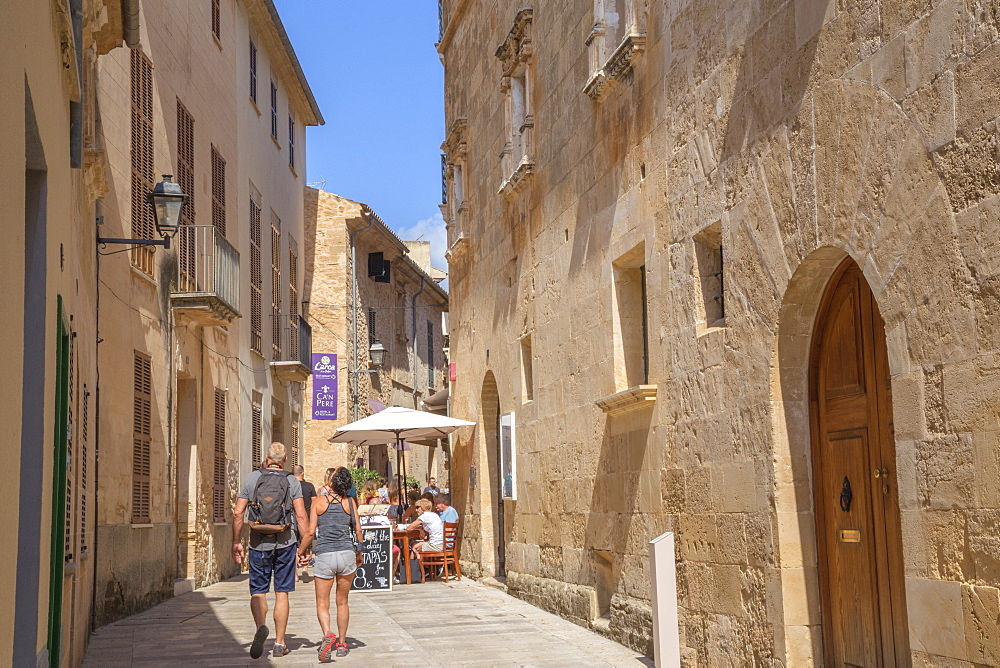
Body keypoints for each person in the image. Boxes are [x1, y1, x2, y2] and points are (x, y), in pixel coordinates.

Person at [232, 443, 308, 659]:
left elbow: (238, 513)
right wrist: (305, 546)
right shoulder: (291, 480)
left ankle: (260, 628)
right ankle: (280, 643)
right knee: (282, 592)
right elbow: (301, 515)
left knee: (258, 591)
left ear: (266, 458)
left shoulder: (252, 478)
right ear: (284, 460)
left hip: (258, 544)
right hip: (285, 543)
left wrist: (236, 541)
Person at [297, 467, 363, 661]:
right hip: (346, 554)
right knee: (342, 601)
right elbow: (358, 530)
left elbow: (310, 532)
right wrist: (360, 552)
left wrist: (301, 551)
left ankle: (328, 634)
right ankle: (342, 644)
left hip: (325, 554)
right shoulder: (350, 502)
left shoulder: (318, 502)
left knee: (322, 602)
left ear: (332, 482)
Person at [293, 465, 317, 582]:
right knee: (307, 543)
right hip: (306, 519)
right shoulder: (309, 486)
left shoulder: (290, 485)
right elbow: (314, 503)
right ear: (302, 473)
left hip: (292, 520)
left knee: (293, 545)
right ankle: (305, 569)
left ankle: (294, 574)